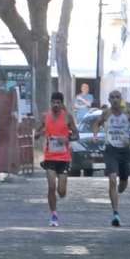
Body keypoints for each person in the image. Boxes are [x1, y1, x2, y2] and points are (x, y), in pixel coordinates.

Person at [35, 91, 78, 226]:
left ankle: (61, 194)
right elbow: (37, 132)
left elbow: (77, 135)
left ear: (62, 104)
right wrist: (38, 134)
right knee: (51, 186)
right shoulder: (45, 117)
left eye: (58, 102)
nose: (56, 105)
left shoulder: (67, 117)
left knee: (61, 191)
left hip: (64, 158)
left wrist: (67, 138)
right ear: (51, 103)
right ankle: (54, 214)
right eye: (54, 102)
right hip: (50, 157)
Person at [99, 90, 130, 226]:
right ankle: (116, 213)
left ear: (121, 99)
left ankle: (118, 191)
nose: (115, 100)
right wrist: (95, 135)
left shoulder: (128, 112)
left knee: (122, 184)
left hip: (124, 151)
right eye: (112, 97)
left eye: (118, 97)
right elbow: (96, 124)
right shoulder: (106, 113)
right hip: (111, 149)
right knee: (112, 179)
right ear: (109, 99)